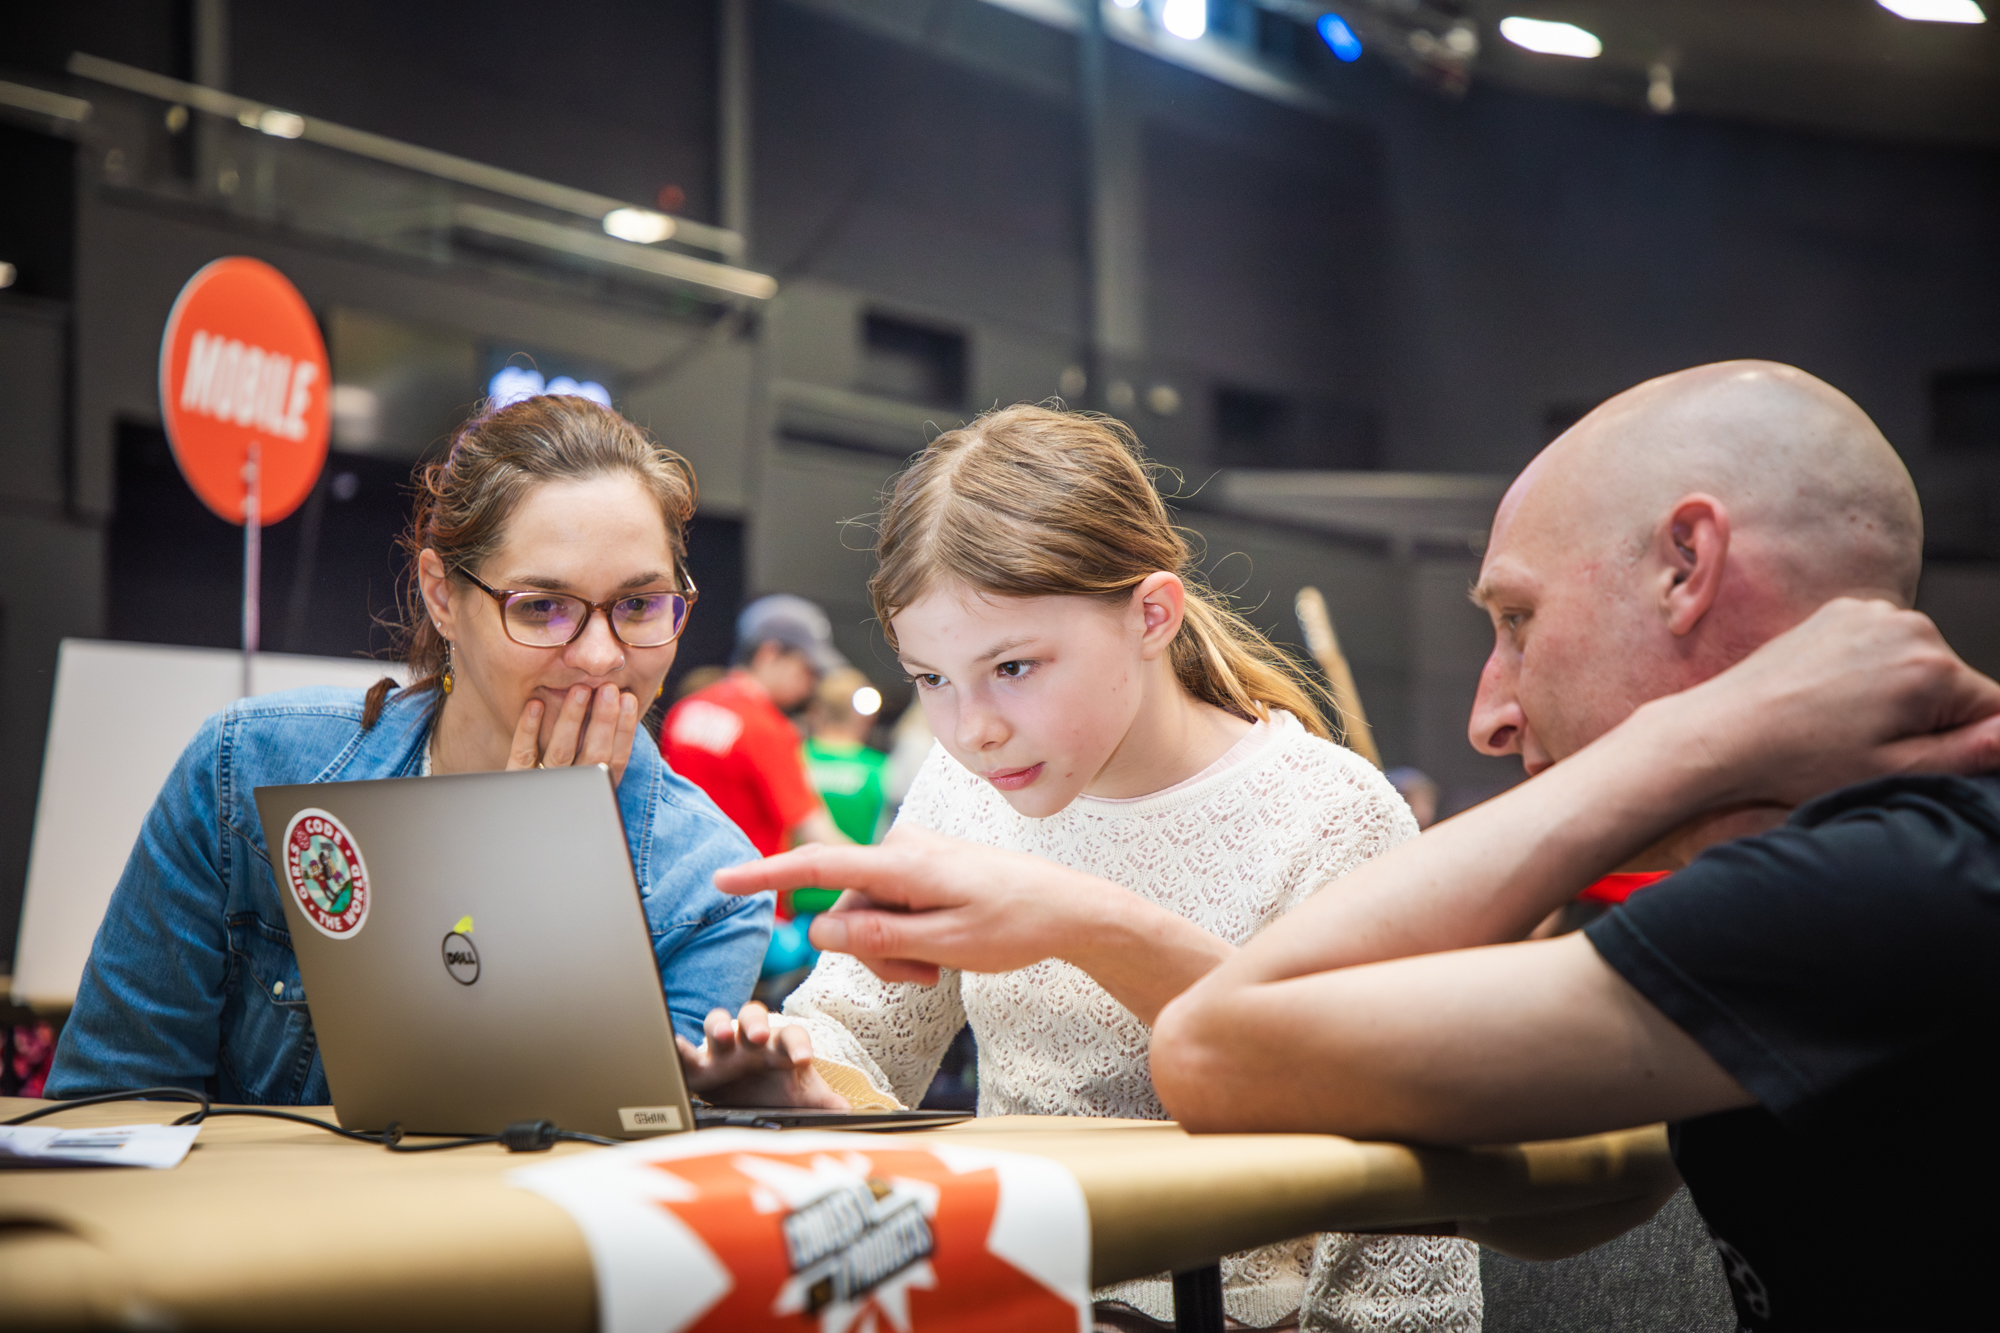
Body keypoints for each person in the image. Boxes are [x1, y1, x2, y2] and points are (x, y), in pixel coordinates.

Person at [1147, 362, 2000, 1330]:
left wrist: (1691, 737)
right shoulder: (1888, 859)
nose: (1488, 717)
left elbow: (1212, 1046)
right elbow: (1558, 1215)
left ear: (1686, 563)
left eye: (1516, 619)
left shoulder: (1885, 881)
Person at [704, 406, 1479, 1332]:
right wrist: (800, 1077)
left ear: (1153, 614)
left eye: (1016, 667)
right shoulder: (965, 788)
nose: (971, 728)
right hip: (1000, 1286)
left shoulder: (1332, 815)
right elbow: (862, 1027)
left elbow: (1404, 1238)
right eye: (933, 679)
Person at [47, 395, 772, 1104]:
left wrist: (549, 885)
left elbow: (602, 1175)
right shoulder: (246, 769)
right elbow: (109, 1109)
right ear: (441, 595)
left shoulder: (711, 882)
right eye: (543, 607)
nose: (598, 655)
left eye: (638, 605)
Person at [662, 594, 851, 857]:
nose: (811, 683)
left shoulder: (686, 709)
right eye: (806, 668)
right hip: (752, 890)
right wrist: (880, 871)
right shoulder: (767, 728)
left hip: (686, 884)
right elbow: (815, 832)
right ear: (770, 654)